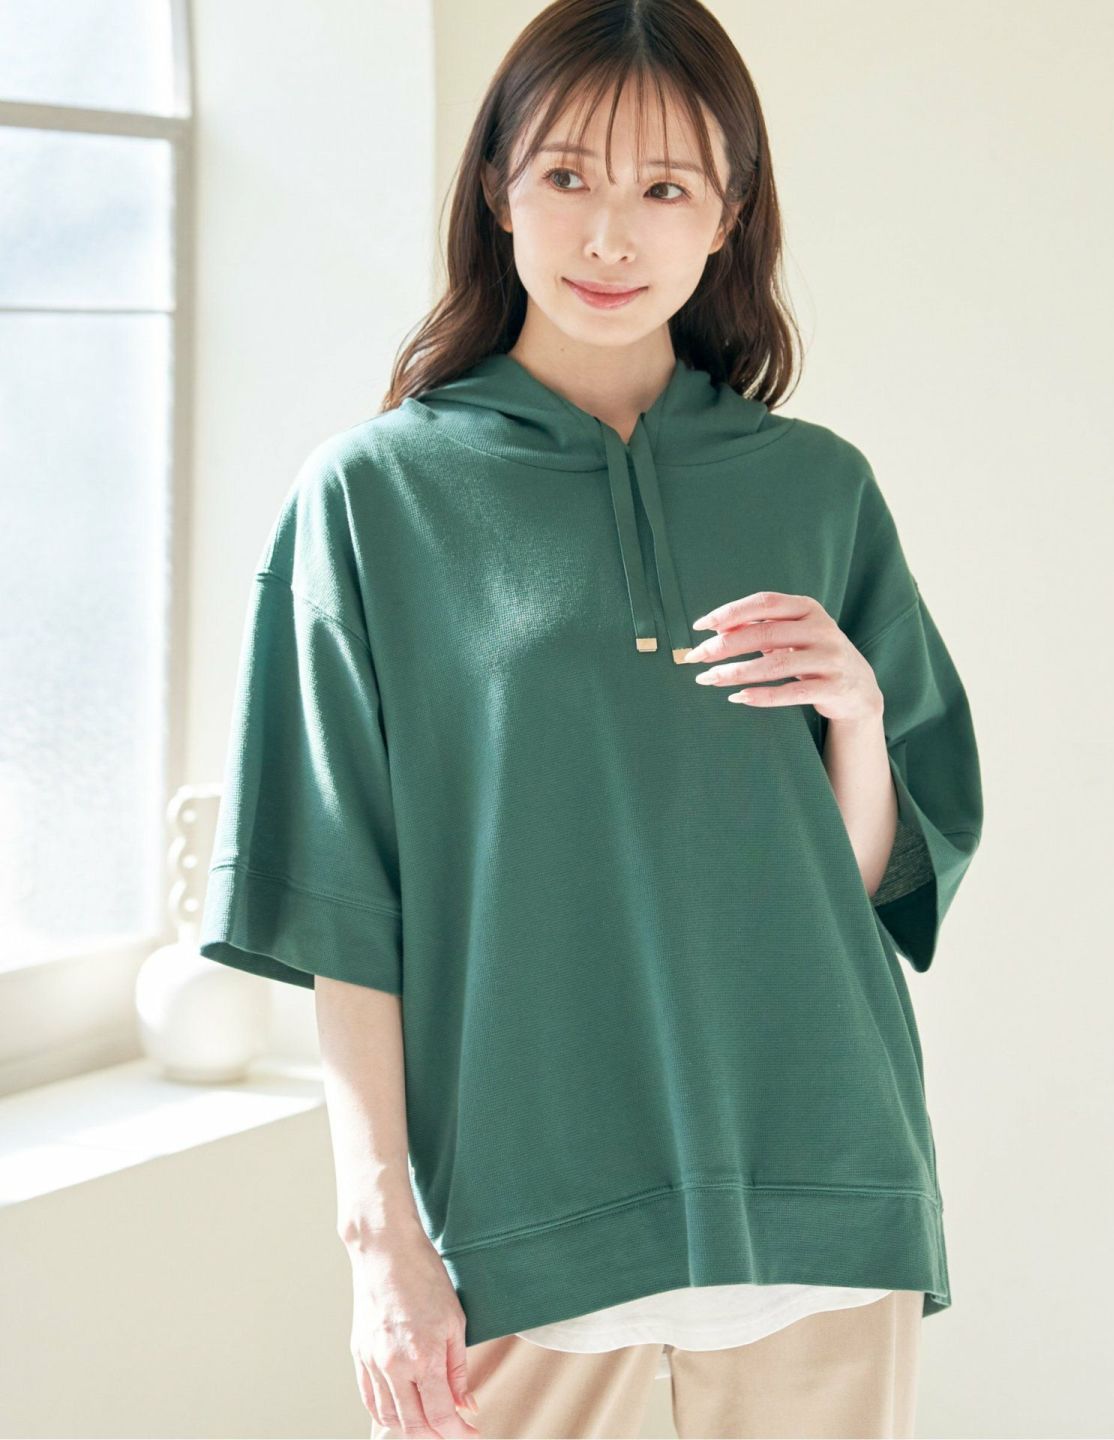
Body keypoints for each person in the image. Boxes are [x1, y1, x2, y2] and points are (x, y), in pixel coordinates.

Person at [198, 0, 984, 1436]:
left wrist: (860, 717)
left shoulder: (818, 487)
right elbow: (342, 902)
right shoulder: (371, 499)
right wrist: (380, 1244)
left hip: (824, 1209)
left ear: (727, 217)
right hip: (526, 1236)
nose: (610, 236)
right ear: (498, 190)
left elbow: (864, 881)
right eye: (567, 176)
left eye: (664, 188)